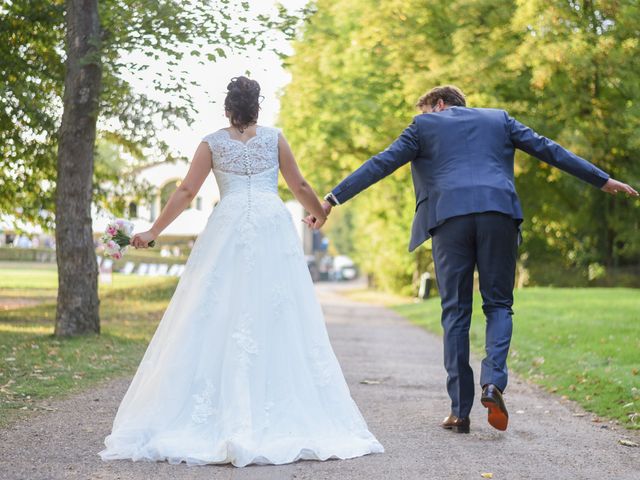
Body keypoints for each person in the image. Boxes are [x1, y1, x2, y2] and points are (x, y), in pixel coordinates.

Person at [310, 85, 638, 434]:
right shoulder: (499, 120)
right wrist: (601, 179)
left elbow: (380, 164)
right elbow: (549, 149)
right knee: (499, 305)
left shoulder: (423, 127)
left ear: (438, 104)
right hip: (499, 213)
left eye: (423, 111)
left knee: (455, 312)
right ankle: (493, 382)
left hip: (449, 219)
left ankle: (459, 411)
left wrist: (332, 198)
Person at [99, 76, 383, 467]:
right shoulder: (274, 139)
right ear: (258, 107)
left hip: (229, 224)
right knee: (278, 309)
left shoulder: (211, 143)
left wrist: (152, 230)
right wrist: (319, 212)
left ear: (228, 108)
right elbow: (298, 184)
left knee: (217, 305)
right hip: (271, 223)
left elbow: (185, 191)